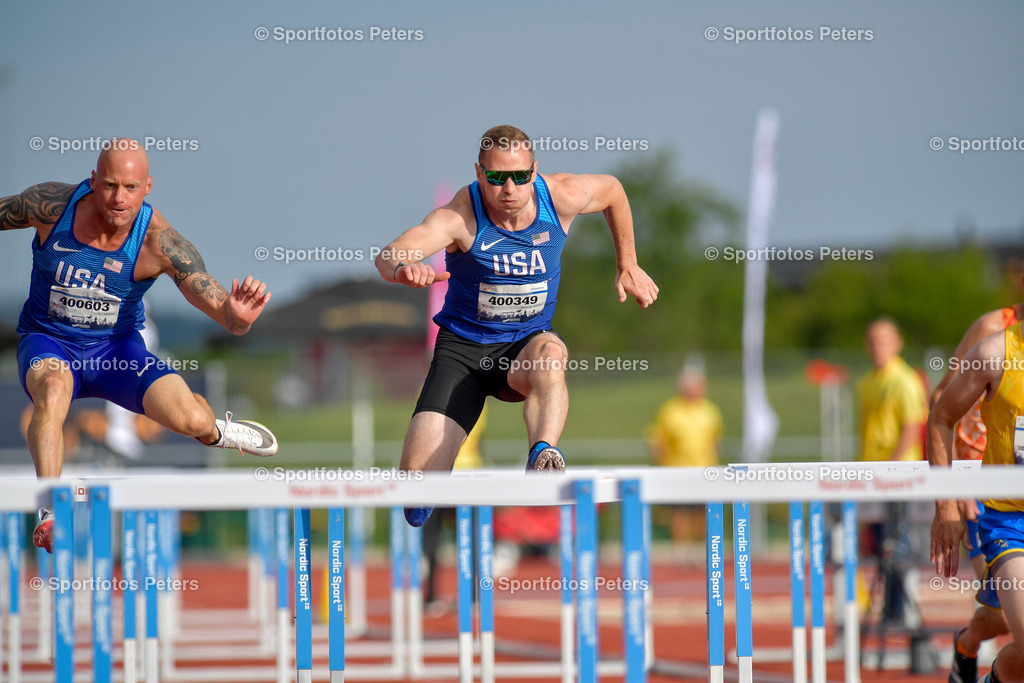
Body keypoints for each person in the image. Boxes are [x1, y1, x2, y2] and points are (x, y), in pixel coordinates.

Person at [0, 139, 278, 552]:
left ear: (147, 187)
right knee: (53, 391)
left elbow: (226, 316)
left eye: (130, 187)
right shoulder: (52, 206)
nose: (118, 198)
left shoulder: (159, 243)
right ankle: (50, 512)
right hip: (49, 341)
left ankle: (215, 430)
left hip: (115, 352)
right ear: (93, 180)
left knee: (191, 420)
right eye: (109, 185)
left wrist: (237, 317)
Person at [374, 125, 659, 526]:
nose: (509, 188)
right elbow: (389, 254)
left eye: (519, 176)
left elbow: (613, 190)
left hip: (524, 347)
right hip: (463, 352)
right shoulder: (460, 217)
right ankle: (425, 493)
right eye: (496, 177)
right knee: (415, 497)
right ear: (479, 174)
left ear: (534, 171)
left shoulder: (560, 197)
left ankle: (543, 453)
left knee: (552, 353)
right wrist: (404, 269)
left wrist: (627, 263)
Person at [930, 298, 1020, 683]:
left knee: (999, 622)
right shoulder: (993, 344)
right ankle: (968, 649)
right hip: (1006, 517)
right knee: (1006, 618)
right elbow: (941, 412)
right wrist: (949, 498)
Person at [857, 317, 928, 626]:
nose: (877, 348)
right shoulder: (868, 382)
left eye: (883, 340)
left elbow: (912, 427)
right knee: (877, 541)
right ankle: (889, 607)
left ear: (897, 343)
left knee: (898, 541)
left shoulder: (905, 380)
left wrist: (890, 466)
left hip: (898, 474)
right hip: (871, 472)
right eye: (872, 341)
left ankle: (902, 610)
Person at [649, 366, 722, 543]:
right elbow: (659, 440)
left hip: (705, 470)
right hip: (677, 470)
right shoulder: (670, 410)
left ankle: (703, 547)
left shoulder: (709, 410)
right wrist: (663, 464)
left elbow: (716, 439)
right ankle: (681, 550)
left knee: (704, 511)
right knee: (678, 512)